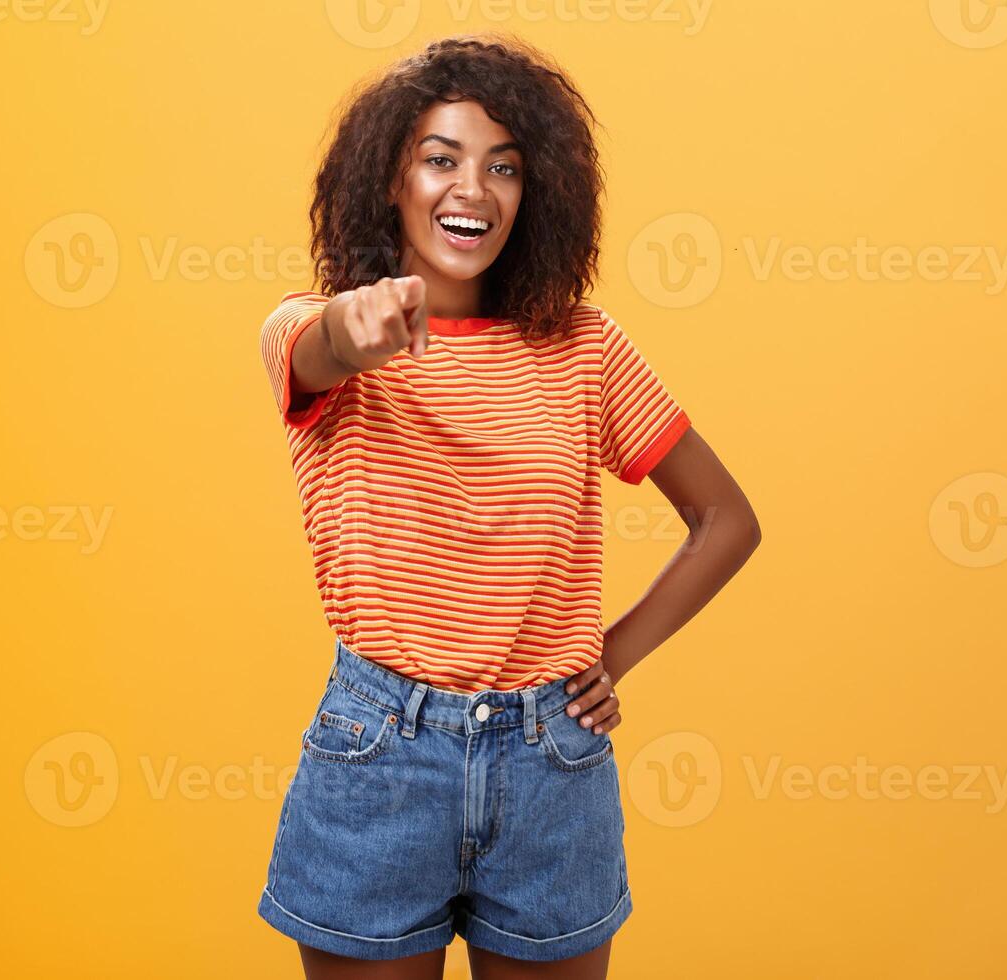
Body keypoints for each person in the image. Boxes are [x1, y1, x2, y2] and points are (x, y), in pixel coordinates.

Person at [254, 36, 760, 980]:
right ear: (390, 180)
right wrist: (353, 325)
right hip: (379, 758)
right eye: (440, 158)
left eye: (503, 168)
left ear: (535, 195)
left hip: (550, 766)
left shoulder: (583, 349)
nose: (471, 192)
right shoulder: (310, 332)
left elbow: (726, 520)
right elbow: (319, 345)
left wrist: (607, 657)